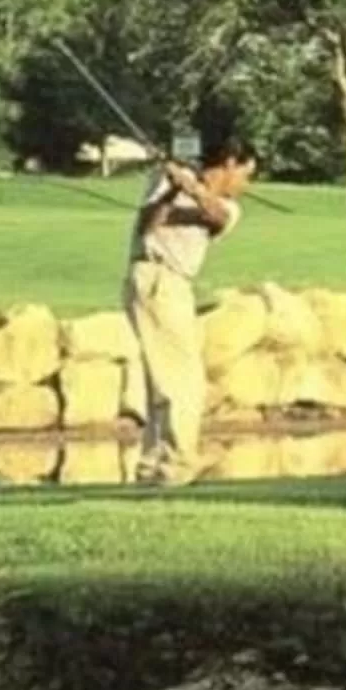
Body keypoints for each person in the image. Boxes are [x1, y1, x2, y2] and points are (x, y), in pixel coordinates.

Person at [123, 135, 258, 486]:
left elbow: (214, 215)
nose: (246, 185)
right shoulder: (164, 183)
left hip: (174, 284)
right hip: (155, 278)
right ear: (229, 163)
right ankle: (175, 466)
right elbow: (148, 224)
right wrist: (171, 189)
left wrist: (191, 188)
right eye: (245, 174)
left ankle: (154, 465)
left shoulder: (230, 208)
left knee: (167, 378)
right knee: (179, 380)